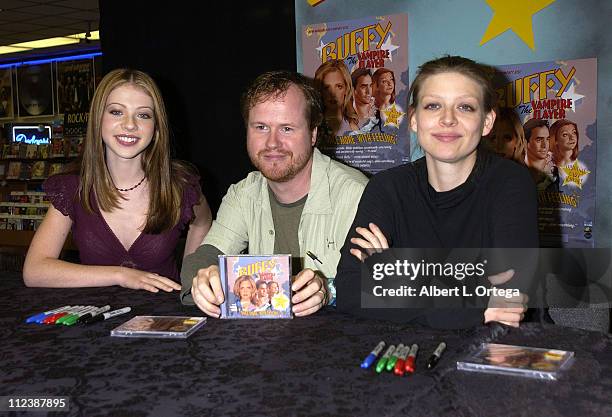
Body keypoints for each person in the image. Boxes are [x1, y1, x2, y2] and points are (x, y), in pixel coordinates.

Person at [335, 56, 539, 329]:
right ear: (415, 119)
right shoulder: (387, 188)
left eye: (465, 107)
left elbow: (508, 299)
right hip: (404, 354)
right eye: (433, 106)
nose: (447, 119)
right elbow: (349, 291)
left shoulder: (511, 183)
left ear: (487, 121)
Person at [181, 70, 368, 317]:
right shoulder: (243, 194)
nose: (272, 143)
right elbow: (202, 259)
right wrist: (204, 278)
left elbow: (390, 287)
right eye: (261, 127)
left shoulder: (358, 194)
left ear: (313, 134)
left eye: (287, 128)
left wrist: (329, 290)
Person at [23, 69, 212, 292]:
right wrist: (121, 275)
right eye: (116, 112)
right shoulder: (73, 187)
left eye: (143, 115)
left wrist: (190, 282)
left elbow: (202, 223)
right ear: (97, 119)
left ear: (156, 127)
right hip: (96, 320)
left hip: (163, 319)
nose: (130, 124)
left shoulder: (181, 185)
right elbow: (35, 271)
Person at [314, 60, 359, 135]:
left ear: (346, 89)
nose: (333, 94)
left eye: (339, 86)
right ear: (320, 90)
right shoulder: (312, 128)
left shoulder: (353, 130)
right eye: (327, 87)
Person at [523, 118, 558, 191]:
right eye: (539, 140)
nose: (545, 145)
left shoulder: (557, 169)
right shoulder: (516, 170)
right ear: (525, 143)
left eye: (547, 139)